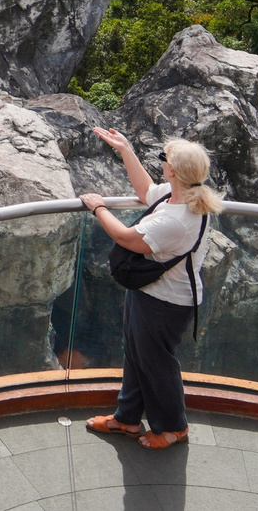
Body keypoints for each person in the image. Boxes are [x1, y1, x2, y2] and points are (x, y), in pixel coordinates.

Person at [81, 128, 223, 451]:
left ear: (172, 171)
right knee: (136, 356)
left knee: (157, 365)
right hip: (149, 291)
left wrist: (98, 208)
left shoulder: (179, 219)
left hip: (167, 302)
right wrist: (125, 149)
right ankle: (127, 417)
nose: (161, 163)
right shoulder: (178, 195)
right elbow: (146, 190)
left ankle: (174, 428)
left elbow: (126, 238)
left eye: (164, 159)